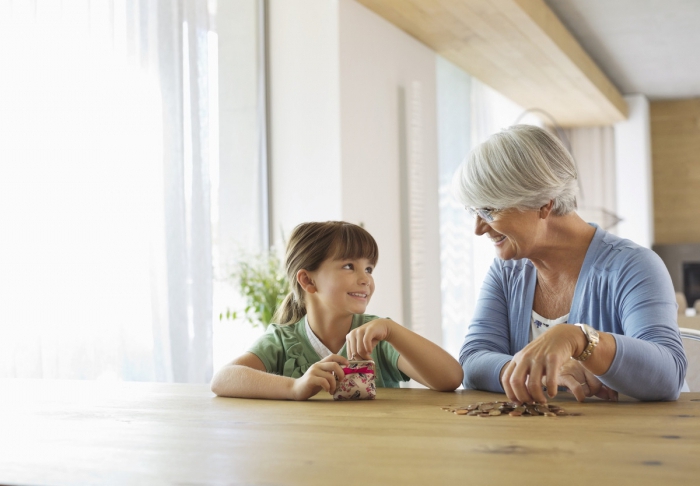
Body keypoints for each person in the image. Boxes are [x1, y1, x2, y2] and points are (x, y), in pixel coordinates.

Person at [452, 124, 687, 403]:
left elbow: (669, 375)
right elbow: (472, 359)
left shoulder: (633, 267)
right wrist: (535, 374)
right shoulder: (507, 272)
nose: (478, 228)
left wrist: (581, 340)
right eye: (473, 211)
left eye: (489, 210)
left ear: (543, 203)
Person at [211, 221, 463, 400]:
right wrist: (294, 388)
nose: (365, 279)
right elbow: (222, 379)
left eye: (369, 269)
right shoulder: (282, 341)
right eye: (349, 266)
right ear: (308, 281)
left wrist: (393, 329)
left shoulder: (379, 337)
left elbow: (450, 379)